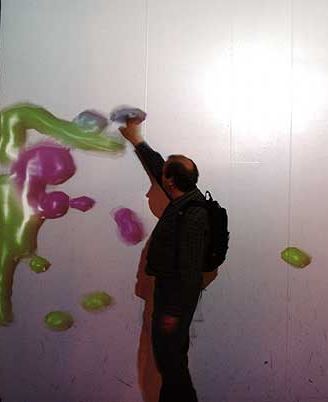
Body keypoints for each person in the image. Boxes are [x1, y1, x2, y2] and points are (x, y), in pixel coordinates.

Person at [119, 120, 209, 402]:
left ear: (171, 182)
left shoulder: (192, 216)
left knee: (172, 367)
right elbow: (160, 167)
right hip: (169, 300)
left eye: (165, 175)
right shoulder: (184, 199)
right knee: (171, 366)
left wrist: (173, 312)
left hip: (174, 304)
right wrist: (137, 140)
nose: (152, 190)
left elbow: (190, 271)